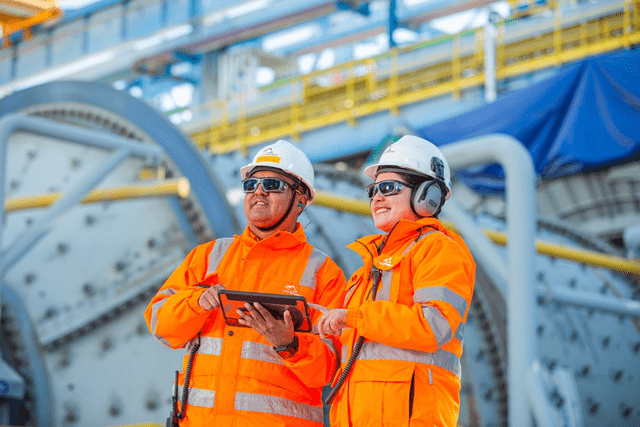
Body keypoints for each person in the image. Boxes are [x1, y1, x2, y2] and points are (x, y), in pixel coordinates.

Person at [144, 140, 346, 427]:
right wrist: (196, 303)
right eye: (251, 184)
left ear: (300, 199)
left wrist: (288, 343)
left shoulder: (323, 273)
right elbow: (160, 325)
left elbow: (333, 367)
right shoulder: (208, 257)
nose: (258, 191)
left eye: (273, 184)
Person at [315, 135, 476, 427]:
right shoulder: (367, 269)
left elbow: (433, 325)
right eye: (373, 190)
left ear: (428, 195)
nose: (376, 198)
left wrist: (355, 316)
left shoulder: (439, 250)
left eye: (388, 188)